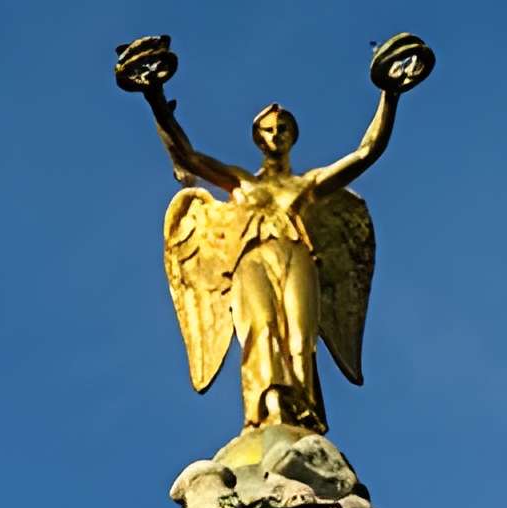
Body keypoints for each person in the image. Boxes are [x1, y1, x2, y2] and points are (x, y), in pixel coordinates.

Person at [115, 31, 435, 432]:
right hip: (251, 258)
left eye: (283, 128)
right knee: (260, 329)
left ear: (293, 136)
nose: (276, 134)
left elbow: (367, 151)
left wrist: (390, 95)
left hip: (296, 254)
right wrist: (155, 96)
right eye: (269, 129)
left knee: (300, 338)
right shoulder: (240, 183)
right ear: (258, 138)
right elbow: (187, 156)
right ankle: (263, 411)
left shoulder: (309, 186)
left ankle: (304, 414)